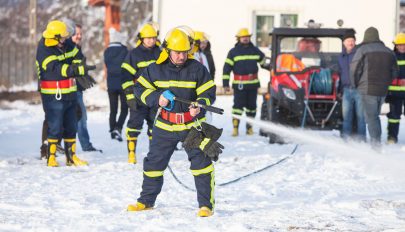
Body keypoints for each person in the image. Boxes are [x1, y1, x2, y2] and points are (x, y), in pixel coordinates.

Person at [127, 27, 219, 217]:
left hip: (192, 126)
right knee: (153, 165)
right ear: (167, 51)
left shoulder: (197, 69)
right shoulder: (154, 69)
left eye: (185, 52)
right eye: (177, 52)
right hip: (164, 126)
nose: (181, 56)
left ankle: (206, 206)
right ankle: (146, 202)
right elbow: (139, 89)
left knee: (202, 164)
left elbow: (209, 92)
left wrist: (200, 104)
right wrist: (156, 99)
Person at [36, 20, 95, 166]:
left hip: (70, 92)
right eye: (62, 37)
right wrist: (74, 70)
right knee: (55, 126)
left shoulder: (66, 43)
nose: (65, 39)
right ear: (54, 37)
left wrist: (80, 68)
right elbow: (55, 70)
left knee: (71, 125)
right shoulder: (44, 49)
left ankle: (71, 158)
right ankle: (50, 157)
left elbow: (78, 57)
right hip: (52, 95)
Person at [350, 27, 397, 147]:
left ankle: (376, 146)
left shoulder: (363, 50)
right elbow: (395, 72)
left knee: (371, 118)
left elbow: (354, 69)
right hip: (382, 90)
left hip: (367, 89)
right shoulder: (389, 51)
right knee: (374, 117)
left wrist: (355, 84)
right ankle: (376, 142)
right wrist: (386, 83)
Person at [121, 23, 161, 164]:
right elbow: (125, 76)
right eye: (148, 38)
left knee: (155, 126)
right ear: (142, 38)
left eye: (153, 38)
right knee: (134, 125)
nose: (151, 40)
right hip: (138, 96)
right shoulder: (134, 54)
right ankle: (131, 154)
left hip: (155, 96)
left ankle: (153, 154)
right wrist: (130, 96)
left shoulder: (160, 52)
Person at [222, 28, 265, 136]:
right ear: (238, 38)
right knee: (237, 107)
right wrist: (225, 84)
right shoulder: (233, 52)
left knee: (252, 108)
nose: (245, 38)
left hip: (253, 84)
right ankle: (235, 128)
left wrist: (274, 67)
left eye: (247, 37)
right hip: (239, 85)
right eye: (243, 37)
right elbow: (226, 69)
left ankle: (249, 128)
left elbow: (264, 62)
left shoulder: (255, 50)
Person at [70, 23, 101, 152]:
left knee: (81, 118)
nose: (79, 36)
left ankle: (85, 145)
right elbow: (69, 70)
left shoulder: (77, 48)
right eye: (76, 34)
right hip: (69, 90)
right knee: (79, 118)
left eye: (80, 34)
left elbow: (78, 69)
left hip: (77, 89)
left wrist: (84, 78)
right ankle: (84, 146)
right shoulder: (68, 49)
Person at [338, 30, 366, 141]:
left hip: (359, 90)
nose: (350, 43)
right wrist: (340, 90)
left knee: (360, 117)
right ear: (344, 43)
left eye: (352, 40)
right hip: (346, 90)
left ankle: (362, 140)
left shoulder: (360, 54)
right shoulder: (341, 56)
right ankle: (346, 140)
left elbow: (365, 71)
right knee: (347, 117)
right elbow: (341, 74)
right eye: (348, 41)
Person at [104, 28, 128, 141]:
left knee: (113, 109)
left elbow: (108, 66)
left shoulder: (106, 52)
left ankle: (112, 129)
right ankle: (118, 128)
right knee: (124, 109)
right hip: (123, 84)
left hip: (111, 85)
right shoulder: (124, 51)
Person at [386, 33, 405, 144]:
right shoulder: (391, 57)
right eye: (400, 45)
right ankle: (392, 137)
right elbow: (386, 74)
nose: (402, 47)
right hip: (395, 93)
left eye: (404, 44)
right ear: (396, 45)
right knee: (394, 117)